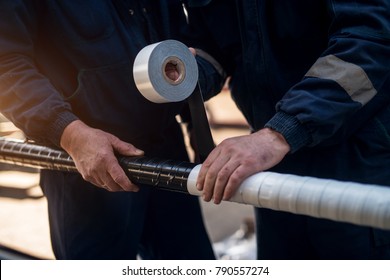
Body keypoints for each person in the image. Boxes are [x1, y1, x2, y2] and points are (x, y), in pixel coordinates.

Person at [0, 0, 217, 260]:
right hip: (84, 159)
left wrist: (195, 122)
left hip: (166, 146)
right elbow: (6, 62)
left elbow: (179, 42)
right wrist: (70, 134)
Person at [184, 0, 390, 259]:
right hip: (272, 163)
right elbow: (215, 47)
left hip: (356, 155)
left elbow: (369, 42)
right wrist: (187, 72)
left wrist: (282, 130)